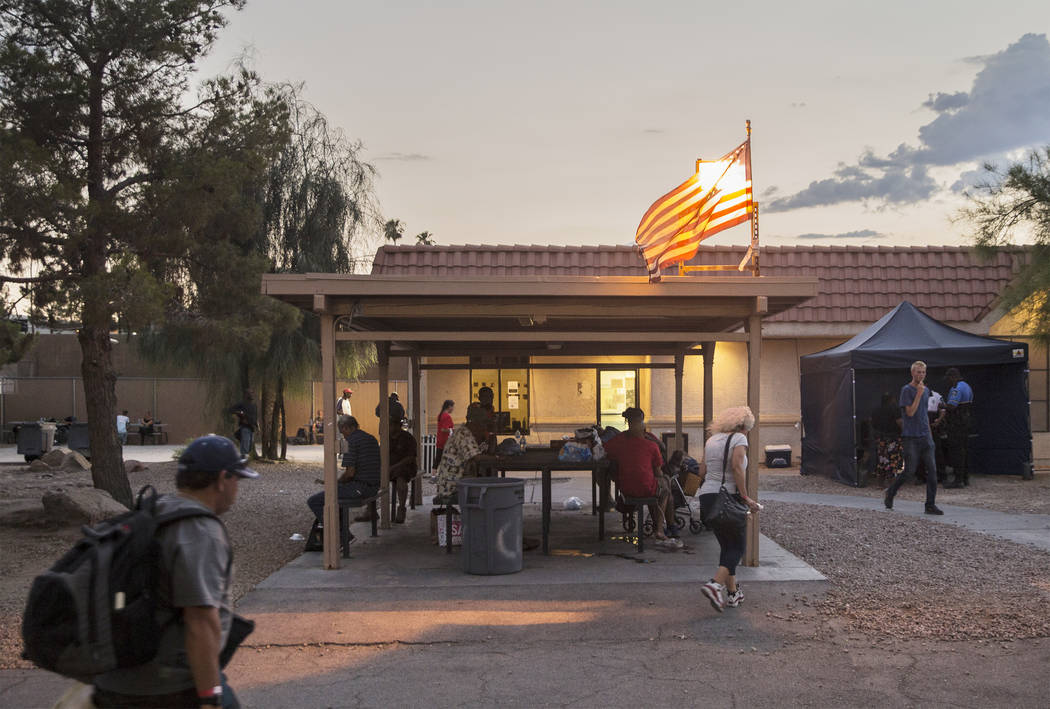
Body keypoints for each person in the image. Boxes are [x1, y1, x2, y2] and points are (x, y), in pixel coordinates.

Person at [92, 435, 258, 708]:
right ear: (221, 479)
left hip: (115, 675)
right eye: (236, 479)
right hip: (168, 685)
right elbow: (200, 621)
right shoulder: (200, 531)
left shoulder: (155, 512)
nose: (237, 489)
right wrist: (209, 696)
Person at [697, 406, 761, 612]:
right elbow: (736, 467)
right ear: (744, 426)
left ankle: (733, 593)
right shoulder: (739, 439)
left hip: (708, 497)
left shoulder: (711, 440)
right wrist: (745, 497)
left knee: (727, 547)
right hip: (727, 497)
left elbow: (702, 470)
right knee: (738, 547)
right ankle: (714, 585)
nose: (748, 433)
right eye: (748, 429)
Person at [603, 407, 681, 547]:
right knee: (664, 486)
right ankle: (664, 528)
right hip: (645, 486)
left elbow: (604, 450)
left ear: (628, 422)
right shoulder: (651, 444)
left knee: (658, 486)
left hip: (626, 487)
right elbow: (658, 472)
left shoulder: (619, 442)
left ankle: (665, 526)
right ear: (642, 422)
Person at [884, 361, 944, 515]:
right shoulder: (906, 390)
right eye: (918, 372)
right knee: (909, 470)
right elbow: (910, 412)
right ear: (912, 373)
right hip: (911, 436)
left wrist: (929, 434)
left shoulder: (926, 390)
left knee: (932, 470)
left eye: (923, 372)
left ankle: (930, 504)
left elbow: (924, 413)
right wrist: (918, 394)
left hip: (925, 435)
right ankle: (891, 492)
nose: (921, 375)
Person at [307, 416, 380, 527]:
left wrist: (336, 482)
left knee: (314, 501)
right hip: (374, 487)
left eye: (342, 432)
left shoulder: (351, 441)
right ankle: (342, 528)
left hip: (361, 488)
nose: (343, 436)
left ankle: (339, 531)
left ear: (346, 428)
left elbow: (350, 474)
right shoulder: (371, 438)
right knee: (338, 491)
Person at [432, 419, 490, 504]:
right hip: (451, 488)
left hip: (451, 483)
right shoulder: (464, 434)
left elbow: (475, 452)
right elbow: (476, 457)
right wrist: (497, 458)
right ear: (476, 424)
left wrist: (486, 441)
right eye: (482, 427)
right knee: (486, 493)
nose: (482, 430)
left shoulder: (463, 431)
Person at [944, 367, 975, 488]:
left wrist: (941, 405)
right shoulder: (967, 386)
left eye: (949, 378)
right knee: (964, 450)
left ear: (953, 377)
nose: (948, 381)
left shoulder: (956, 388)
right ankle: (965, 477)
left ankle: (958, 480)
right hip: (966, 421)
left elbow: (952, 406)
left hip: (957, 422)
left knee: (956, 451)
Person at [869, 393, 903, 485]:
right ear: (892, 399)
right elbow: (899, 422)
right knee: (893, 458)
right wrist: (904, 431)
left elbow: (871, 422)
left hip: (880, 438)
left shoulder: (876, 410)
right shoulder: (895, 409)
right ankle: (891, 482)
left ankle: (880, 482)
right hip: (893, 437)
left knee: (882, 459)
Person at [388, 426, 418, 523]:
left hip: (406, 467)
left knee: (401, 481)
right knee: (372, 477)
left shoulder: (408, 438)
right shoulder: (387, 438)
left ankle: (401, 507)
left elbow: (410, 458)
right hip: (390, 467)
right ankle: (370, 509)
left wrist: (393, 467)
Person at [465, 387, 497, 454]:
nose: (489, 399)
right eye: (485, 396)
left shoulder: (490, 410)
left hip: (486, 445)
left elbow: (492, 430)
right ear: (480, 398)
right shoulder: (474, 408)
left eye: (491, 396)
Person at [228, 390, 257, 457]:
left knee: (249, 447)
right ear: (246, 395)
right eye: (250, 393)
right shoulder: (242, 403)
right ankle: (243, 460)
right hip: (245, 427)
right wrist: (240, 413)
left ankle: (243, 459)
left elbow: (255, 416)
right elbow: (231, 410)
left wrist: (257, 426)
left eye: (253, 393)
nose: (252, 395)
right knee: (245, 447)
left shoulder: (254, 405)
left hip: (252, 428)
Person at [434, 399, 455, 469]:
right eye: (452, 407)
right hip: (446, 441)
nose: (453, 409)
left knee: (438, 459)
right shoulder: (447, 416)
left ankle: (434, 474)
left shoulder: (440, 415)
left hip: (440, 440)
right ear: (449, 407)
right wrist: (452, 430)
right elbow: (443, 429)